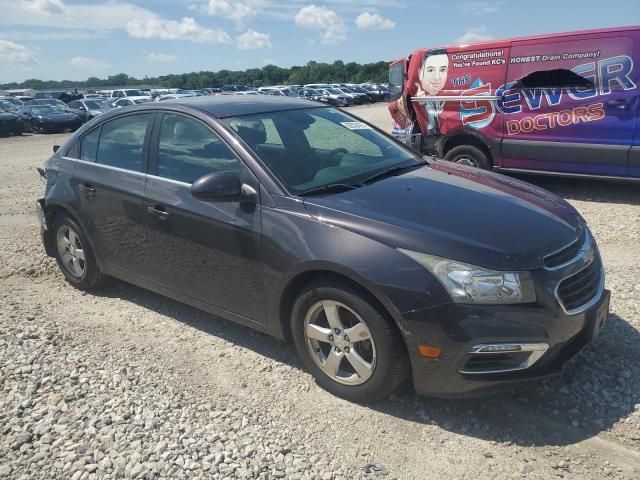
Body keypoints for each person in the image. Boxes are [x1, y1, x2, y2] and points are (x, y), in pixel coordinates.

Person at [415, 48, 449, 134]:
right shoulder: (419, 97)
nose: (437, 77)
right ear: (419, 73)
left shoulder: (446, 97)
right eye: (430, 70)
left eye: (442, 70)